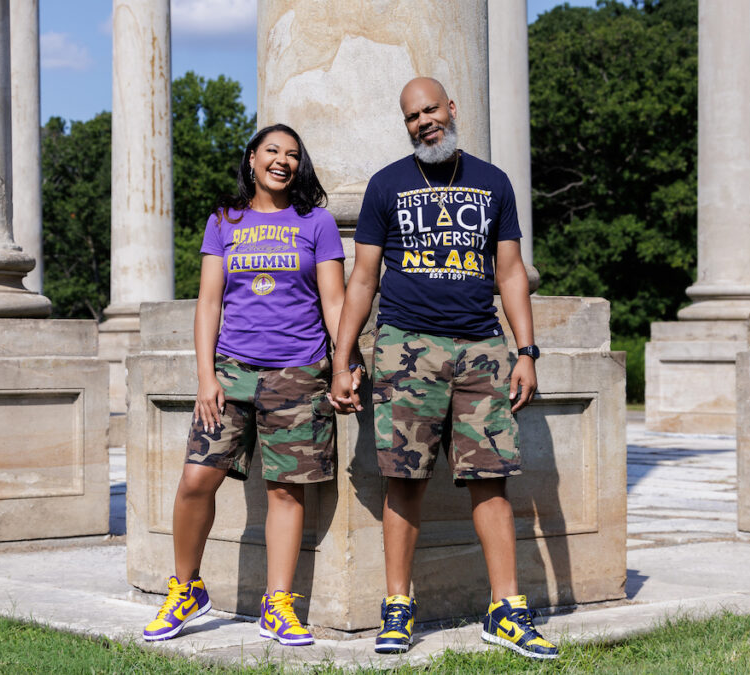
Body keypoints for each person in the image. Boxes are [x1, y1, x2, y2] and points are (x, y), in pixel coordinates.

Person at [329, 78, 558, 661]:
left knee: (491, 479)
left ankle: (505, 609)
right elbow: (362, 279)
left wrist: (525, 351)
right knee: (404, 477)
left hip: (482, 347)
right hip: (407, 346)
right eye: (412, 116)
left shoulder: (493, 181)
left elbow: (510, 273)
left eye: (430, 109)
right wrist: (342, 357)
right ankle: (398, 606)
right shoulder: (388, 185)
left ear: (451, 110)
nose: (423, 121)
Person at [143, 123, 360, 646]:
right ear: (251, 159)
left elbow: (334, 302)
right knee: (197, 478)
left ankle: (278, 605)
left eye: (291, 154)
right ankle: (186, 589)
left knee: (286, 492)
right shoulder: (225, 221)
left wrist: (343, 363)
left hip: (300, 373)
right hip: (232, 372)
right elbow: (209, 302)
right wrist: (205, 377)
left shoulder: (317, 223)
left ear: (299, 165)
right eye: (272, 151)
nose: (281, 161)